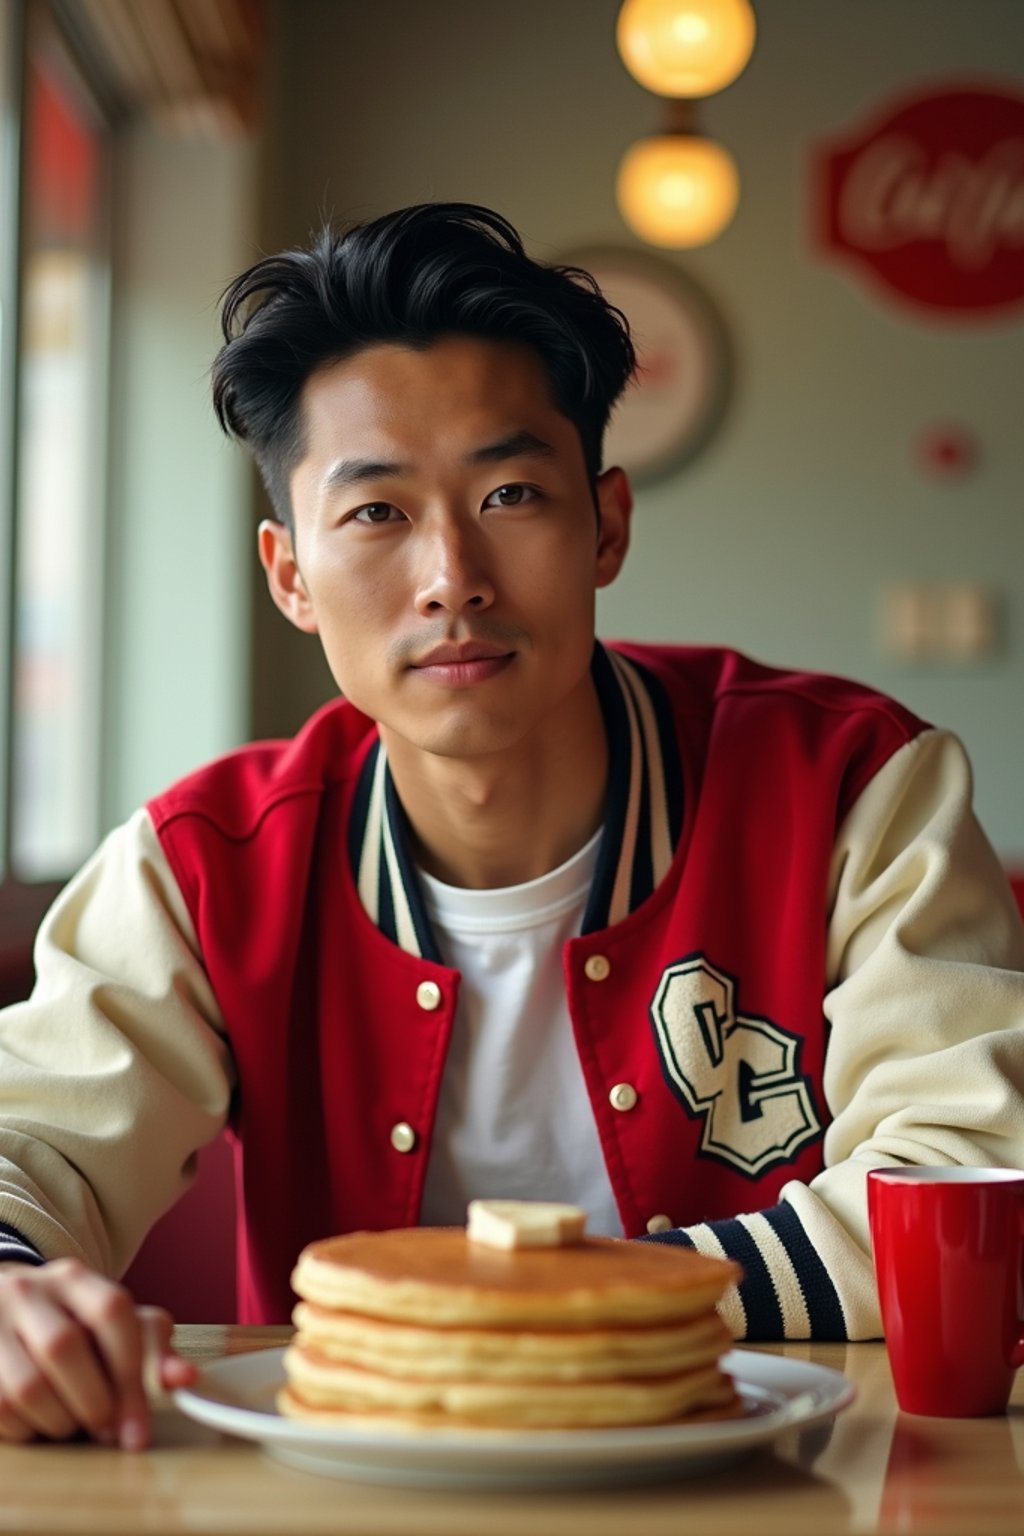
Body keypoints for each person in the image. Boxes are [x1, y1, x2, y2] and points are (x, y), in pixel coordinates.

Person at [1, 203, 1022, 1449]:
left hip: (787, 1488)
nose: (451, 577)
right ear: (288, 576)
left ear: (607, 525)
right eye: (376, 513)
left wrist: (542, 1305)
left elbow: (961, 1182)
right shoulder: (206, 861)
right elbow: (29, 1147)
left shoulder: (857, 786)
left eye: (510, 492)